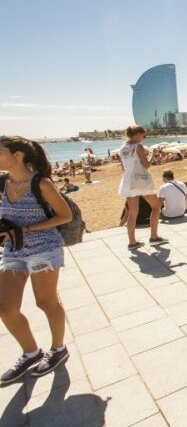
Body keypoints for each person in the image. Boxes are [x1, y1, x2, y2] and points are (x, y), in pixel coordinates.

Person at [0, 136, 73, 383]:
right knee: (5, 307)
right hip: (14, 250)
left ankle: (58, 349)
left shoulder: (41, 183)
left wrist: (28, 229)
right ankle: (31, 352)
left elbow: (65, 216)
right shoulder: (2, 182)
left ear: (17, 155)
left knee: (46, 301)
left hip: (45, 248)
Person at [118, 126, 168, 249]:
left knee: (132, 213)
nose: (143, 138)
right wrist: (153, 154)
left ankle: (132, 242)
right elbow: (146, 165)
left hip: (127, 181)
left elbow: (123, 167)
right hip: (140, 181)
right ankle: (154, 237)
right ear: (137, 134)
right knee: (156, 207)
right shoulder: (138, 147)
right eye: (143, 136)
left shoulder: (122, 148)